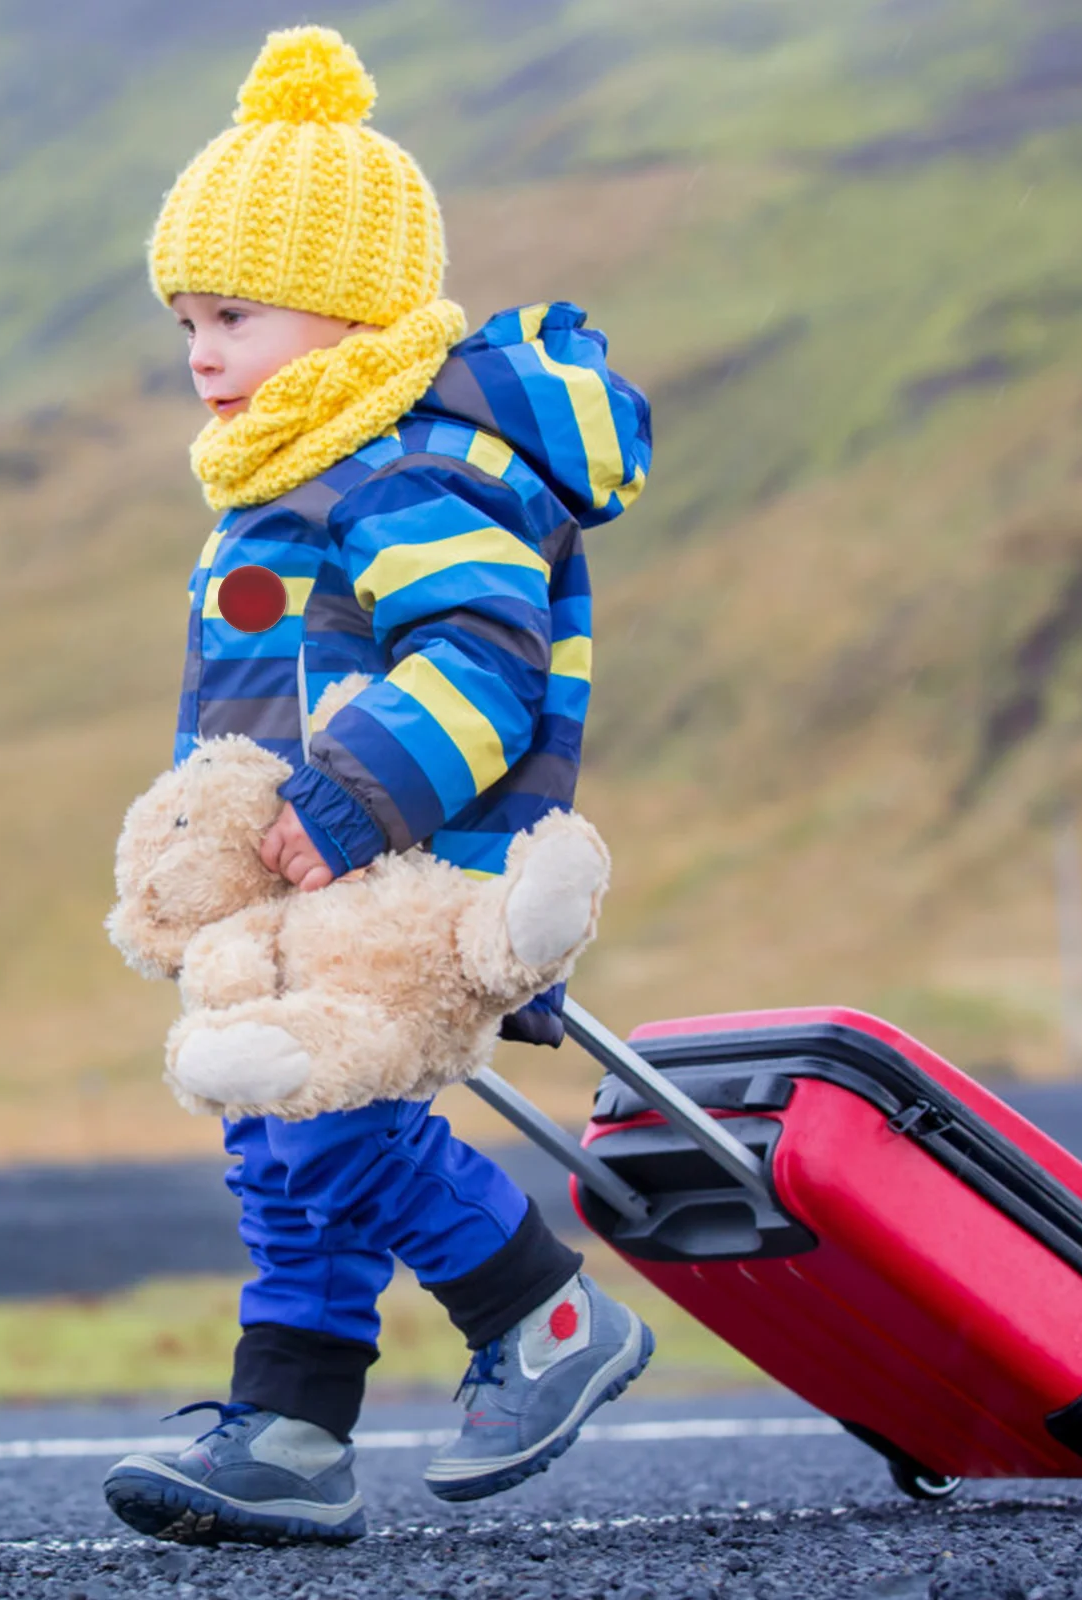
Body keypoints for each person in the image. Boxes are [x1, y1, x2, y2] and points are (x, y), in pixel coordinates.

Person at [103, 25, 655, 1547]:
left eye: (232, 315)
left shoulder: (411, 473)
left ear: (349, 315)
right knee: (271, 1136)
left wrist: (348, 803)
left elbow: (482, 655)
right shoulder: (295, 470)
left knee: (328, 1114)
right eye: (185, 323)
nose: (202, 353)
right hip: (299, 876)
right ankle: (289, 1427)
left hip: (401, 871)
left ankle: (541, 1315)